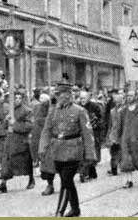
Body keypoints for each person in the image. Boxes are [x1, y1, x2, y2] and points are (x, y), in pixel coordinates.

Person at [39, 83, 96, 217]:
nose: (58, 97)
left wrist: (90, 155)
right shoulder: (53, 111)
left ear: (69, 95)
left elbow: (88, 134)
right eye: (57, 94)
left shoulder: (79, 111)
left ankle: (59, 212)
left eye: (61, 94)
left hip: (73, 151)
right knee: (68, 182)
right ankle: (75, 209)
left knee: (65, 181)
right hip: (57, 151)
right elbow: (46, 131)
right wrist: (42, 148)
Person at [0, 92, 35, 193]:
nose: (17, 100)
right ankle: (3, 183)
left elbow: (29, 125)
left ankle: (31, 179)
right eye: (15, 98)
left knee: (25, 161)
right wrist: (6, 121)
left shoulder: (27, 111)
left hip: (21, 140)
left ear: (22, 99)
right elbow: (4, 126)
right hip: (10, 139)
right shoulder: (10, 111)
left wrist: (15, 124)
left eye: (19, 98)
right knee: (6, 160)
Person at [115, 90, 138, 188]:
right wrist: (117, 137)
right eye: (128, 96)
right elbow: (119, 126)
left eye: (131, 95)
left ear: (136, 97)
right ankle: (129, 181)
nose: (129, 97)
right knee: (126, 160)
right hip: (126, 138)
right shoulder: (123, 111)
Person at [79, 90, 102, 182]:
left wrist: (95, 125)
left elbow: (100, 119)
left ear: (88, 98)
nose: (82, 100)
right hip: (81, 133)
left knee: (91, 152)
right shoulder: (78, 106)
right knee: (83, 153)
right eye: (81, 98)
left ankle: (87, 172)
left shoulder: (95, 106)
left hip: (92, 133)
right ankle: (85, 172)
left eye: (84, 98)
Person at [106, 89, 124, 176]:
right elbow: (110, 124)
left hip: (122, 134)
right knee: (113, 152)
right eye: (115, 102)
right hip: (113, 134)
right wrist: (109, 134)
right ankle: (114, 168)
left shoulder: (125, 110)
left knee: (120, 152)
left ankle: (118, 166)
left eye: (118, 101)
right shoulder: (112, 111)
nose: (117, 103)